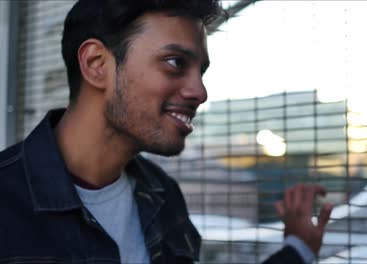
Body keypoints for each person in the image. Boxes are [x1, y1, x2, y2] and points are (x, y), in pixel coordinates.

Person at [0, 0, 332, 263]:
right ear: (97, 65)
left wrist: (298, 248)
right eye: (175, 63)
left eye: (200, 71)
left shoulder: (162, 195)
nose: (200, 92)